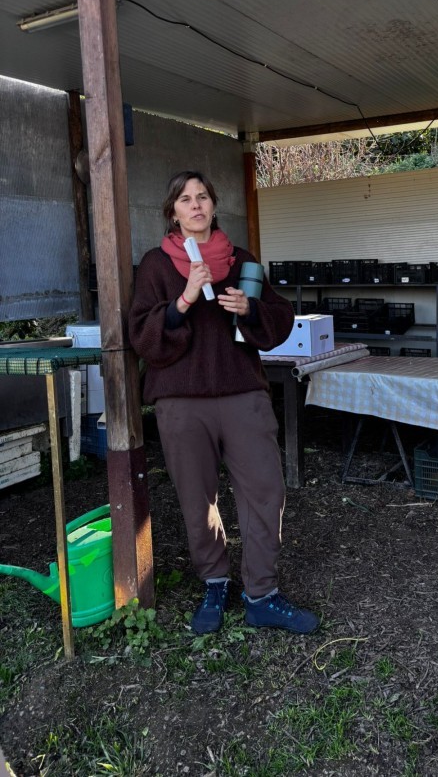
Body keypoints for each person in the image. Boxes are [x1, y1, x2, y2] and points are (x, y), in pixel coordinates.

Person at [129, 170, 319, 635]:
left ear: (214, 205)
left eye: (202, 196)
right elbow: (141, 335)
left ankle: (262, 594)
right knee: (196, 498)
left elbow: (280, 318)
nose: (195, 205)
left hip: (242, 394)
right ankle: (215, 582)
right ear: (173, 212)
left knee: (265, 490)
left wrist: (250, 310)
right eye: (185, 199)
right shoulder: (156, 265)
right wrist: (183, 301)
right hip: (181, 401)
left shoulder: (240, 261)